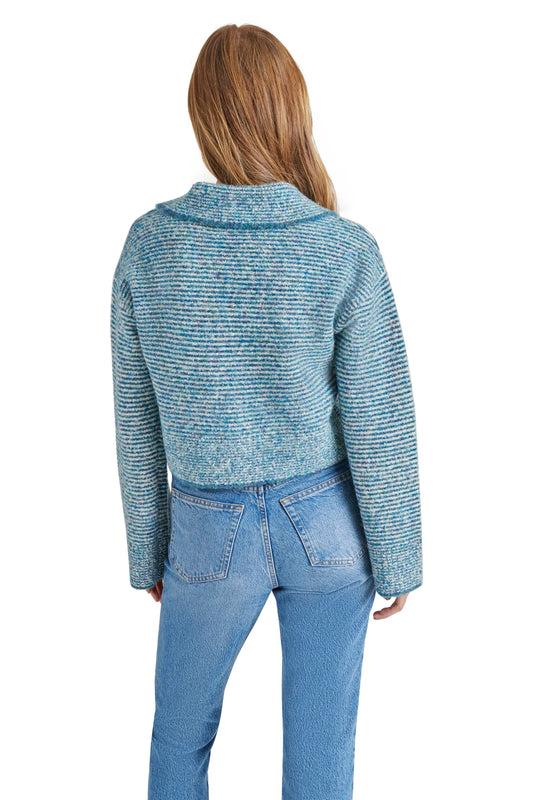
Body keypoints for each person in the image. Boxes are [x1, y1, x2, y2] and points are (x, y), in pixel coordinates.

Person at [110, 22, 423, 800]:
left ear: (202, 116)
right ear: (291, 111)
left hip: (205, 529)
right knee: (322, 753)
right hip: (327, 525)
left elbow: (136, 417)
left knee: (178, 739)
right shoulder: (342, 247)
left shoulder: (149, 245)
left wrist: (149, 549)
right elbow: (379, 415)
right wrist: (398, 556)